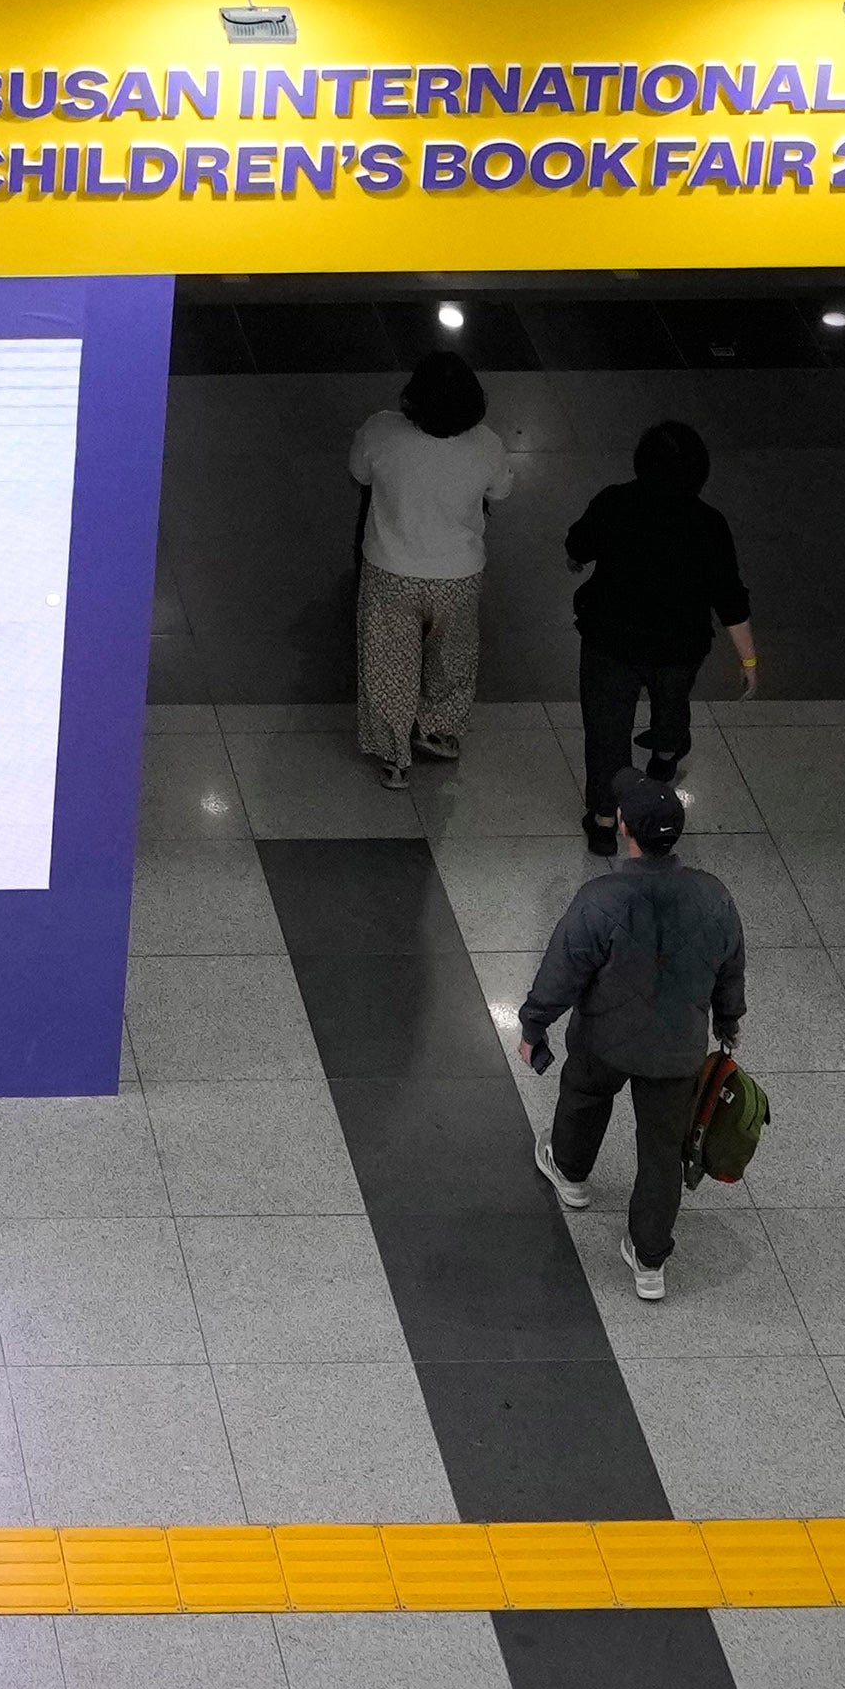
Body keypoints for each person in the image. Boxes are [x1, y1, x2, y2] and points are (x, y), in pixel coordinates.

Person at [508, 773, 747, 1300]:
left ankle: (570, 1172)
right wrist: (728, 1023)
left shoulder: (601, 898)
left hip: (605, 1038)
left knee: (585, 1097)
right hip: (677, 1050)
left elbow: (563, 969)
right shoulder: (713, 896)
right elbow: (731, 968)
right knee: (662, 1149)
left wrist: (534, 1024)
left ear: (623, 828)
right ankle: (649, 1260)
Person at [558, 415, 759, 838]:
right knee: (671, 704)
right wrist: (749, 659)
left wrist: (578, 557)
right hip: (679, 645)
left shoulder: (614, 503)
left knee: (607, 730)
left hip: (610, 641)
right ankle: (665, 755)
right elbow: (729, 597)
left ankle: (603, 821)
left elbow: (579, 543)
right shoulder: (710, 524)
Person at [343, 348, 520, 787]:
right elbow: (500, 493)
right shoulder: (487, 443)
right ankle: (439, 731)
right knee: (451, 656)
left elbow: (358, 475)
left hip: (390, 567)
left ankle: (394, 757)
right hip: (458, 573)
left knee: (388, 662)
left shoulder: (382, 430)